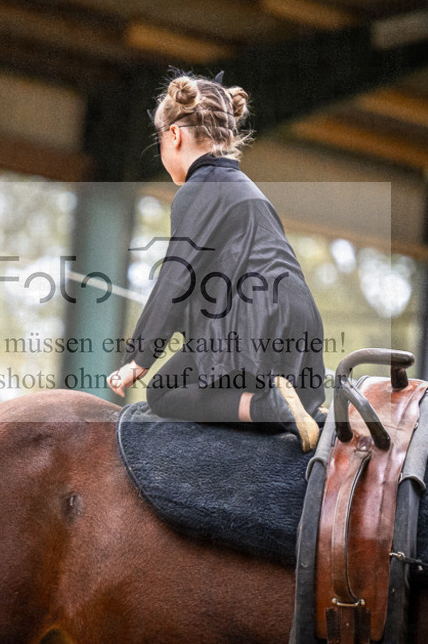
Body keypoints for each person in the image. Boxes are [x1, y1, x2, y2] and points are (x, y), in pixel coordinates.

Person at [107, 71, 326, 451]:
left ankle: (266, 405)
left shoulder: (200, 189)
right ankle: (276, 408)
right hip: (300, 320)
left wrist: (137, 359)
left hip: (257, 318)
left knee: (164, 390)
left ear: (173, 135)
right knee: (255, 408)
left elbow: (178, 276)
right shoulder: (249, 191)